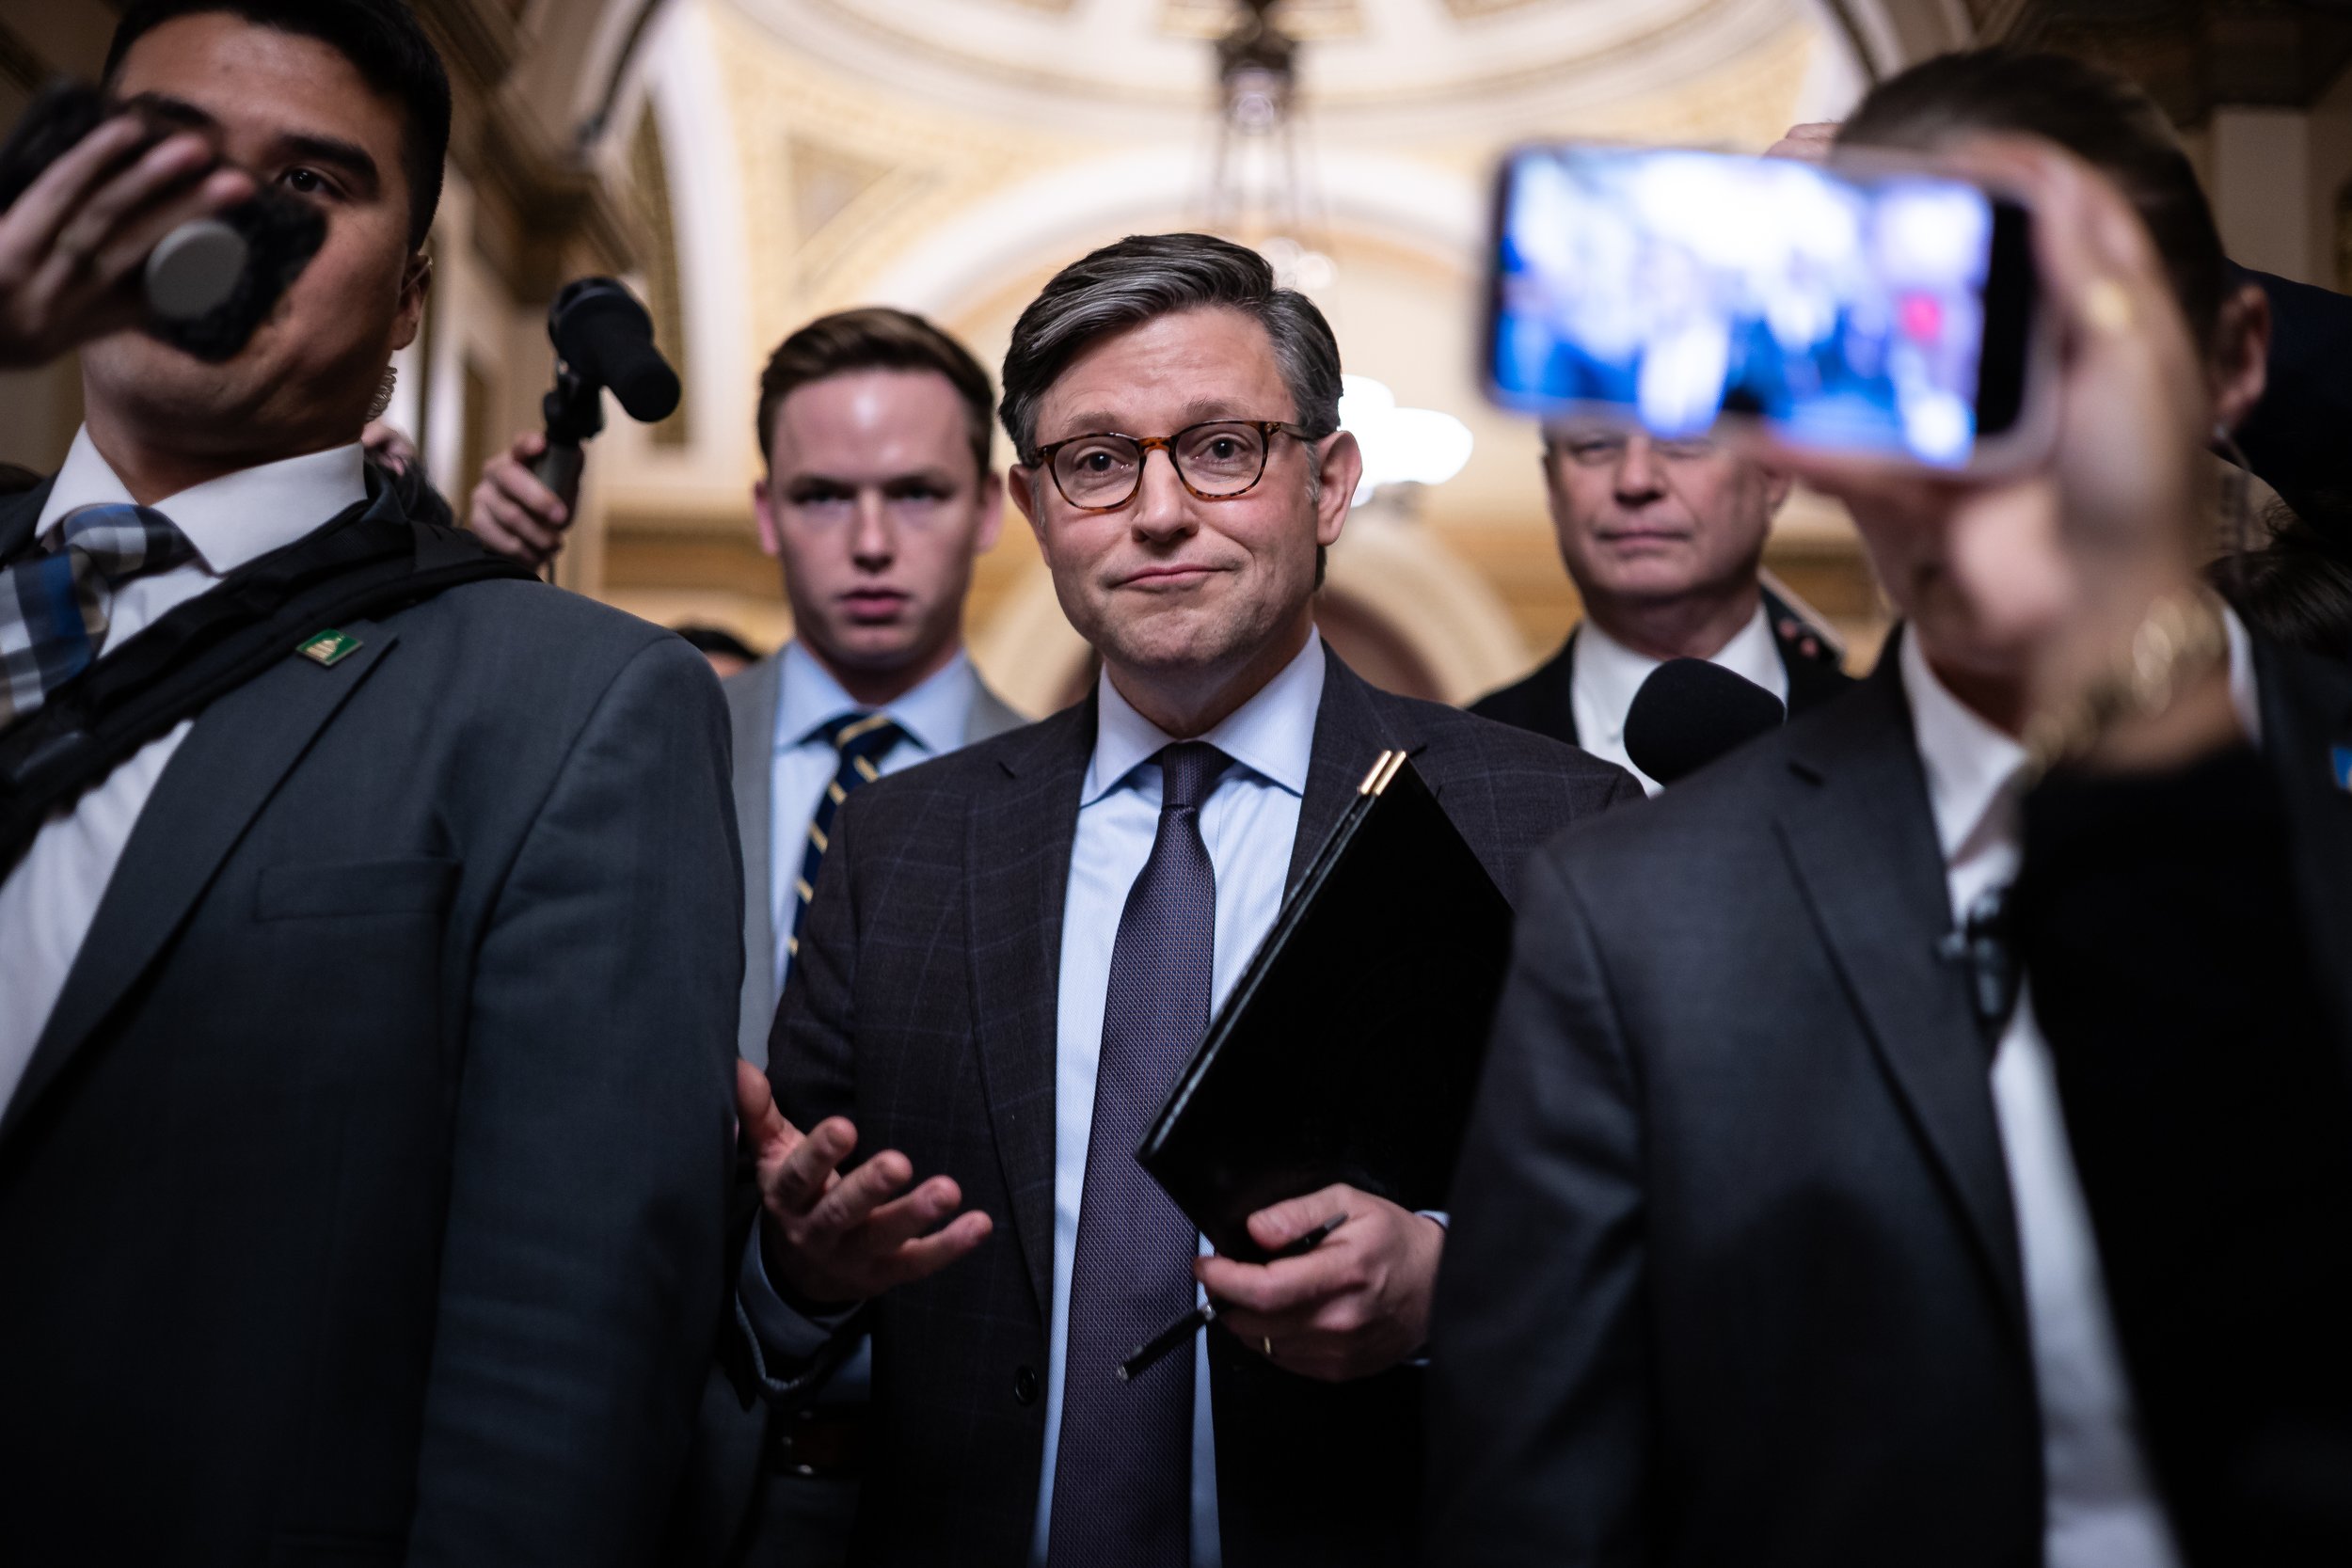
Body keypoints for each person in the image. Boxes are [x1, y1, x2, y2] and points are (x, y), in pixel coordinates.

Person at [1428, 49, 2286, 1568]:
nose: (1976, 422)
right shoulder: (1634, 913)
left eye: (2049, 334)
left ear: (2228, 365)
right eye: (1903, 345)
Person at [729, 231, 1640, 1568]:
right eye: (1097, 462)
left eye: (1221, 447)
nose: (1159, 511)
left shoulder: (1548, 823)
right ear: (1036, 511)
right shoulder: (899, 844)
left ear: (1330, 483)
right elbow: (787, 1256)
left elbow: (1664, 1254)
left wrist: (1451, 1279)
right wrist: (802, 1263)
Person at [0, 6, 740, 1564]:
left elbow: (558, 1373)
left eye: (308, 184)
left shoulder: (571, 708)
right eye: (163, 156)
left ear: (411, 299)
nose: (217, 220)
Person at [470, 309, 1027, 1565]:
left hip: (958, 1477)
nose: (873, 541)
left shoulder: (1077, 787)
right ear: (769, 511)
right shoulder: (634, 749)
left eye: (919, 492)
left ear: (992, 506)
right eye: (827, 495)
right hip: (646, 1458)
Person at [1470, 424, 1852, 791]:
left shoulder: (1896, 744)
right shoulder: (1456, 769)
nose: (1635, 480)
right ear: (1551, 484)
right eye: (1596, 443)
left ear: (1773, 472)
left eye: (1684, 437)